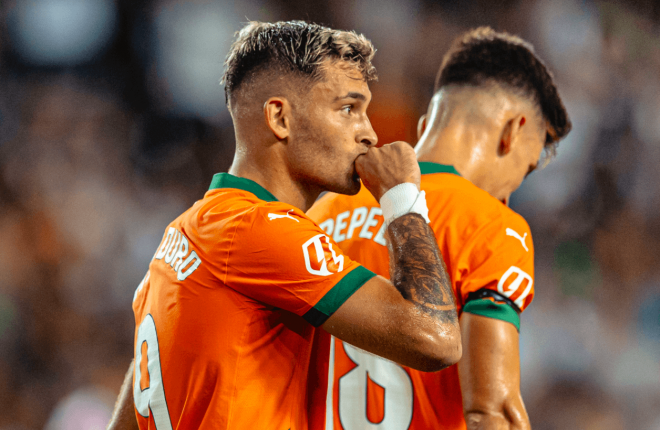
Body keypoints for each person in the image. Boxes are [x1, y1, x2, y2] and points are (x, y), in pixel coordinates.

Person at [107, 21, 461, 430]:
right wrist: (402, 199)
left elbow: (137, 398)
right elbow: (435, 338)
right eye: (348, 109)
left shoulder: (184, 233)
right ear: (279, 118)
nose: (370, 133)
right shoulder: (260, 228)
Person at [308, 27, 571, 430]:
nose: (515, 188)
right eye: (528, 166)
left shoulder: (321, 213)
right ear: (513, 131)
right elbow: (490, 412)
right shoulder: (491, 223)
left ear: (427, 121)